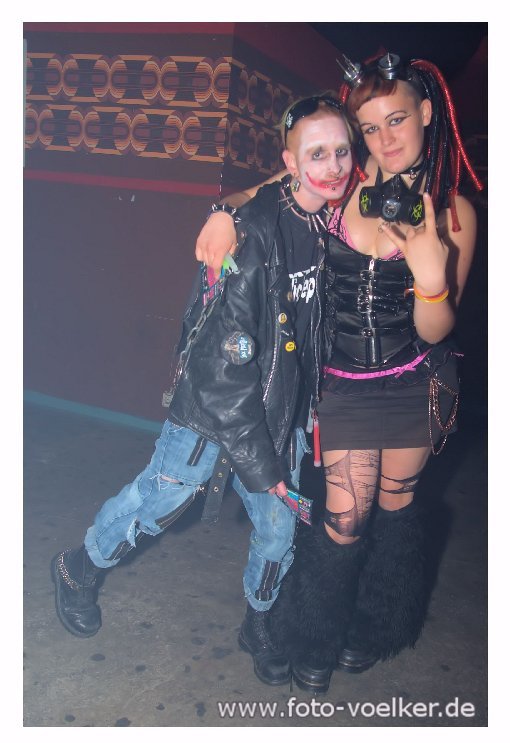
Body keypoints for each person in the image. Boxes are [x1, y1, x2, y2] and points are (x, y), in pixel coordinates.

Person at [194, 52, 482, 693]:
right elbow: (261, 192)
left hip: (414, 380)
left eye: (397, 120)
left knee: (396, 507)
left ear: (425, 113)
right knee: (344, 518)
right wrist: (223, 212)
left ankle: (375, 628)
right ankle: (311, 634)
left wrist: (430, 277)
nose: (385, 140)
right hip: (344, 380)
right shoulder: (341, 179)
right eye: (370, 127)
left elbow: (437, 330)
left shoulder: (454, 212)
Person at [51, 95, 354, 687]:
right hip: (215, 409)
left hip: (279, 411)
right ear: (290, 163)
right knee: (158, 503)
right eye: (317, 153)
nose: (334, 165)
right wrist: (265, 470)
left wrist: (309, 408)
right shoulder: (252, 235)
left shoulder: (326, 223)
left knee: (278, 530)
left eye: (342, 150)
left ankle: (259, 622)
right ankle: (78, 567)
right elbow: (224, 373)